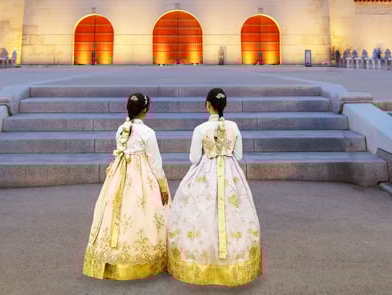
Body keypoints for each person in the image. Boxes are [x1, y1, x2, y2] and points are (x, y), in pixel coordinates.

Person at [167, 88, 262, 286]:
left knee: (199, 214)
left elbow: (194, 158)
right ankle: (235, 261)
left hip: (205, 171)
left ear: (207, 105)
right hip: (230, 173)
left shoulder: (200, 129)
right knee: (235, 213)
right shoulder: (234, 126)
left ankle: (200, 261)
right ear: (225, 106)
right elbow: (238, 156)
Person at [83, 93, 171, 280]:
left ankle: (112, 258)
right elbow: (155, 163)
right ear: (146, 110)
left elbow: (121, 152)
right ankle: (143, 260)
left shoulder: (120, 129)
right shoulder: (148, 133)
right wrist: (162, 186)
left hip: (120, 174)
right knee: (140, 212)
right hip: (142, 177)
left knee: (116, 210)